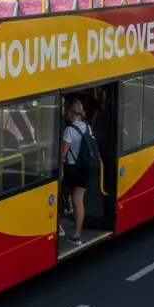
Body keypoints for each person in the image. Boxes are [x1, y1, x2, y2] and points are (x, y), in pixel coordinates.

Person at [61, 99, 90, 246]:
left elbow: (63, 153)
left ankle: (75, 235)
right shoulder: (87, 127)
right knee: (79, 200)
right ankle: (76, 232)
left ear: (72, 114)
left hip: (73, 169)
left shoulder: (69, 130)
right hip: (85, 168)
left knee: (65, 194)